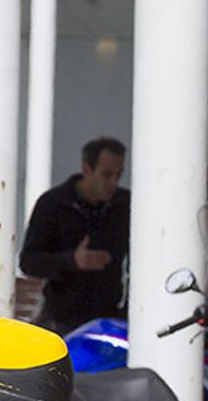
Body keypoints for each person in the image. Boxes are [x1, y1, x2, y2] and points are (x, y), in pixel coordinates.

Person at [19, 136, 130, 336]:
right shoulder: (53, 204)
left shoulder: (124, 205)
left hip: (109, 316)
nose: (113, 183)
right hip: (62, 319)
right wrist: (72, 261)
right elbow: (29, 262)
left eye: (118, 175)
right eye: (106, 175)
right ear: (87, 170)